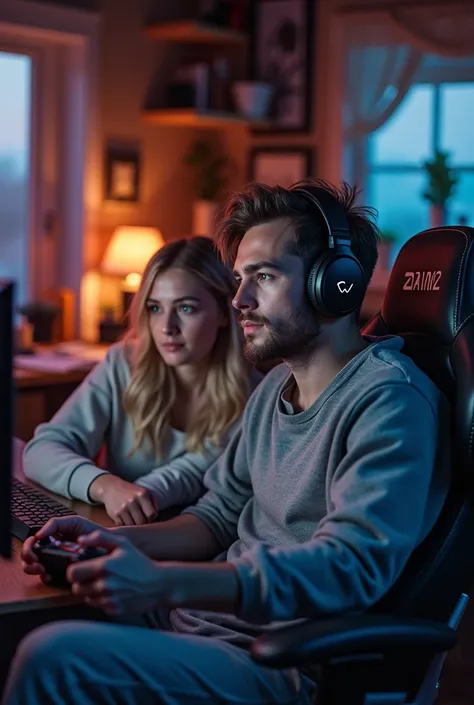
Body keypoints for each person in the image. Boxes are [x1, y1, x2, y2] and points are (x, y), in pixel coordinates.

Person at [3, 179, 451, 705]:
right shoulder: (273, 394)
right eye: (239, 279)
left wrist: (165, 583)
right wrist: (108, 544)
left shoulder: (388, 401)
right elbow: (216, 517)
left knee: (53, 656)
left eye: (263, 276)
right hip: (203, 626)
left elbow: (349, 567)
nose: (239, 299)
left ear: (336, 285)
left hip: (278, 662)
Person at [23, 236, 256, 526]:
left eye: (186, 308)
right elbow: (40, 451)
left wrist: (135, 496)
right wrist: (106, 485)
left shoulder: (255, 394)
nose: (166, 327)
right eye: (155, 308)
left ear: (224, 313)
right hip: (116, 528)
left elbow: (190, 473)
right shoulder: (122, 364)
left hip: (193, 546)